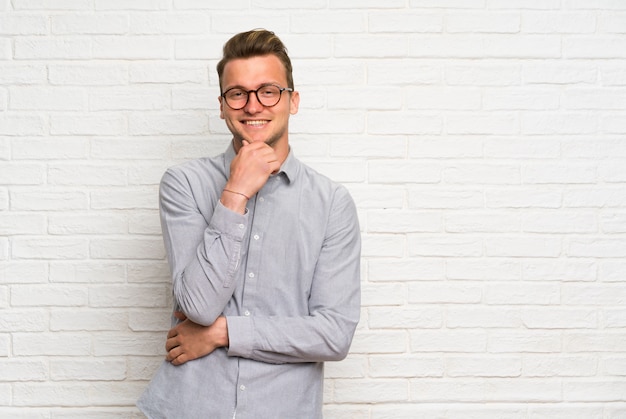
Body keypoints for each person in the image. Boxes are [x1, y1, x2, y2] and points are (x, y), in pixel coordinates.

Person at [137, 29, 361, 418]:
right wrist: (235, 193)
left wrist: (224, 334)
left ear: (293, 101)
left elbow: (333, 334)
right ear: (223, 106)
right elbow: (198, 306)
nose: (253, 105)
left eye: (268, 91)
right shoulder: (184, 184)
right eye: (238, 93)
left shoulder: (332, 204)